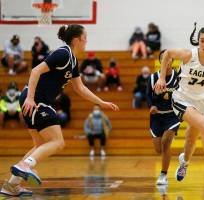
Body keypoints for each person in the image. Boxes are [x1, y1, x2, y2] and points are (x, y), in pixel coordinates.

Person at [0, 24, 119, 197]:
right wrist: (31, 98)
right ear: (77, 39)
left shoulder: (72, 60)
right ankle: (26, 165)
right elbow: (35, 71)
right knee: (58, 142)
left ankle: (11, 185)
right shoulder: (63, 53)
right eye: (85, 37)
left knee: (40, 145)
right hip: (36, 100)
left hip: (35, 99)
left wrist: (101, 102)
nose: (87, 41)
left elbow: (80, 88)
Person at [154, 23, 204, 183]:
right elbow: (168, 53)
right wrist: (162, 77)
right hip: (181, 98)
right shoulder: (188, 55)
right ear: (198, 41)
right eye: (202, 40)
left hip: (203, 103)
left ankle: (185, 162)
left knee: (191, 139)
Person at [147, 50, 180, 185]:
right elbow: (148, 95)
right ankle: (168, 158)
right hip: (156, 117)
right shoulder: (153, 78)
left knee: (166, 142)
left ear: (172, 61)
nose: (166, 61)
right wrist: (151, 105)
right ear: (160, 62)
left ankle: (163, 175)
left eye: (169, 59)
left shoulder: (178, 77)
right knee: (159, 149)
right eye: (163, 59)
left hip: (173, 115)